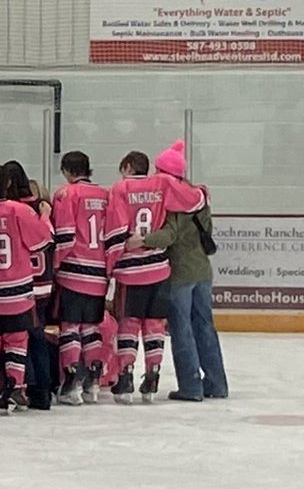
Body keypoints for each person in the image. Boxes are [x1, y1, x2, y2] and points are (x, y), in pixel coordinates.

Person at [128, 139, 228, 402]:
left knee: (181, 329)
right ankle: (217, 383)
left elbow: (169, 235)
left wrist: (142, 240)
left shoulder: (172, 202)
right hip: (202, 271)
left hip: (180, 274)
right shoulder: (198, 197)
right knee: (205, 327)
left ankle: (191, 387)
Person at [104, 150, 204, 404]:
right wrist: (202, 192)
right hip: (159, 269)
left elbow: (116, 230)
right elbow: (194, 201)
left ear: (127, 167)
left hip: (131, 271)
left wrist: (109, 266)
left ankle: (125, 378)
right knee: (154, 325)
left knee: (129, 325)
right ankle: (153, 375)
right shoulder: (161, 184)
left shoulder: (120, 188)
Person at [0, 165, 53, 412]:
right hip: (17, 292)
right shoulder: (19, 210)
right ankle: (16, 387)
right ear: (8, 184)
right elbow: (42, 240)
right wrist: (45, 216)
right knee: (16, 341)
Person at [51, 151, 111, 406]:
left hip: (73, 271)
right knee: (91, 328)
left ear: (67, 170)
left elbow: (65, 235)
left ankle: (71, 383)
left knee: (71, 328)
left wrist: (54, 265)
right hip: (99, 274)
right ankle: (93, 382)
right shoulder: (105, 195)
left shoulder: (66, 193)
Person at [3, 161, 57, 411]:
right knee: (38, 337)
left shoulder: (11, 210)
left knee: (24, 338)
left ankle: (33, 387)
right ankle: (43, 390)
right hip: (45, 282)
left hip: (23, 285)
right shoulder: (40, 206)